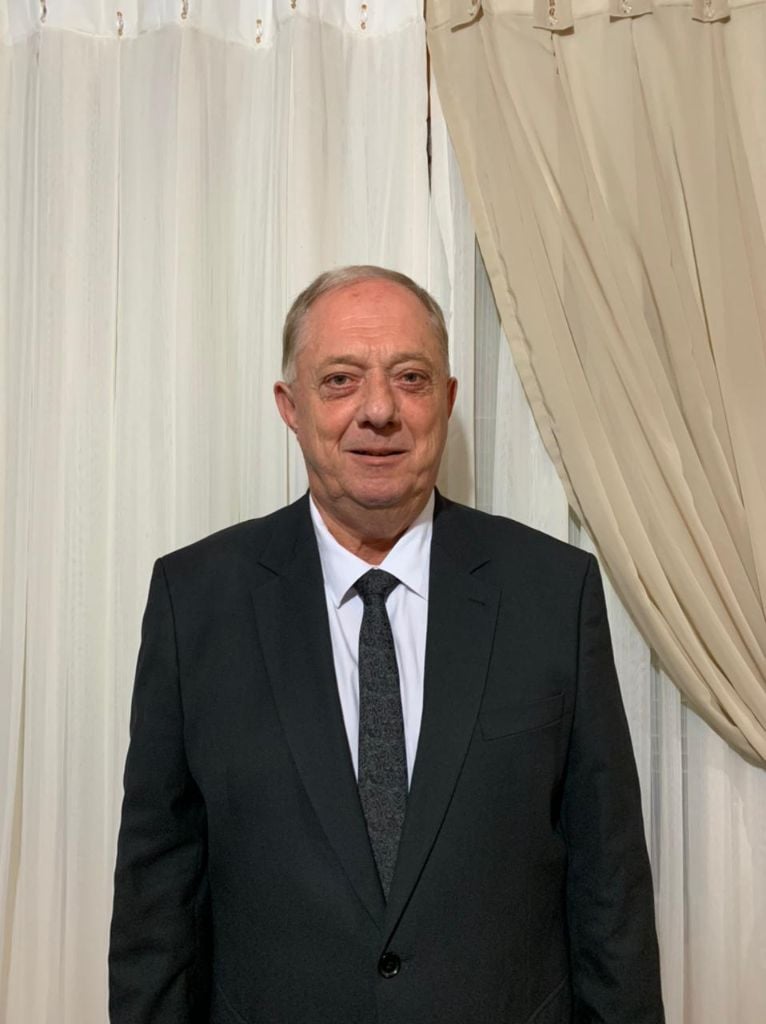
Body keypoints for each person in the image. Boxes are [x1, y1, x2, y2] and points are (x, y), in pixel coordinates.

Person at [109, 266, 665, 1024]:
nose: (378, 410)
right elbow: (156, 903)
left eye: (411, 378)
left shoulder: (551, 593)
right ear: (291, 407)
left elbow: (611, 893)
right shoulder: (196, 602)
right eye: (341, 380)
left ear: (448, 400)